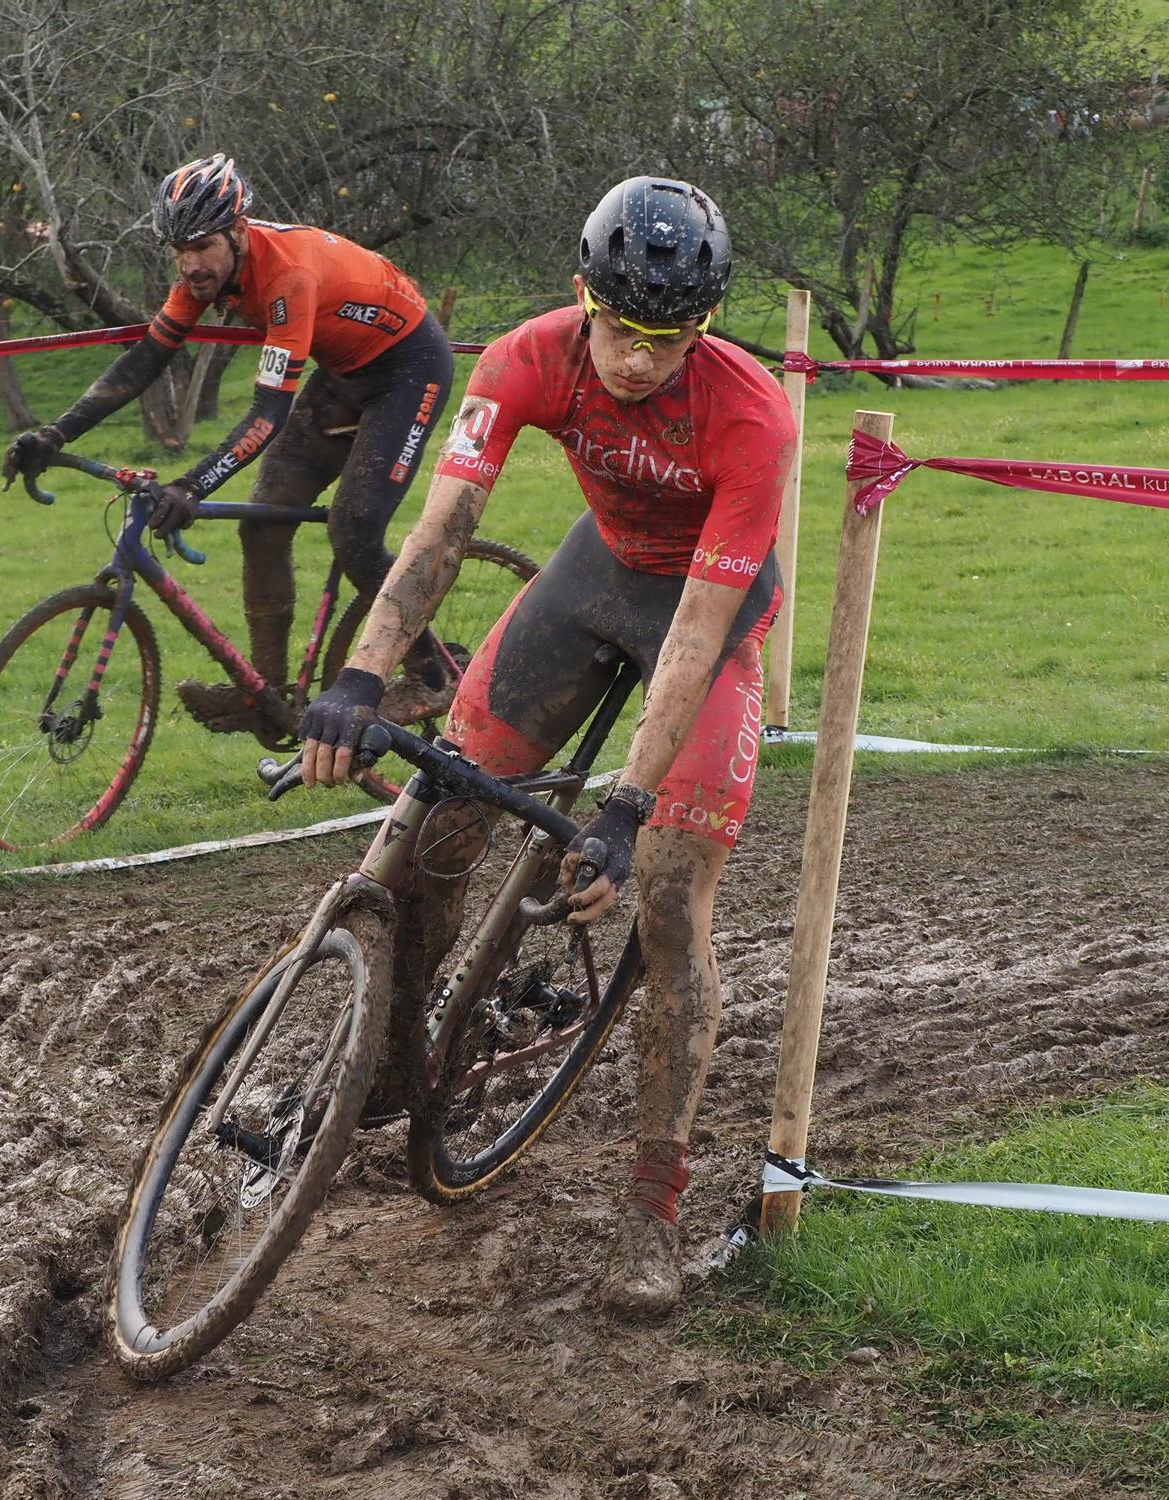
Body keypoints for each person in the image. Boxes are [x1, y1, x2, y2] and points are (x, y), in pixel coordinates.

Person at [296, 176, 797, 1315]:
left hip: (702, 625)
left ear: (703, 327)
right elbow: (441, 530)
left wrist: (622, 806)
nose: (634, 361)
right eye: (618, 330)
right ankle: (393, 1052)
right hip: (589, 581)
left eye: (664, 341)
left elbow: (698, 636)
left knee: (669, 907)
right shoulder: (523, 356)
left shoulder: (752, 415)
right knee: (443, 813)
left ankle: (650, 1210)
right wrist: (364, 671)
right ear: (583, 297)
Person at [1, 153, 456, 743]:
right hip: (344, 374)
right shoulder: (202, 278)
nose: (190, 265)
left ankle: (433, 672)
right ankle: (268, 696)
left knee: (353, 533)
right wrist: (54, 433)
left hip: (408, 371)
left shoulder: (286, 276)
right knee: (262, 523)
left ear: (238, 233)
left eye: (201, 246)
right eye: (178, 249)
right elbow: (144, 360)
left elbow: (268, 413)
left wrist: (190, 486)